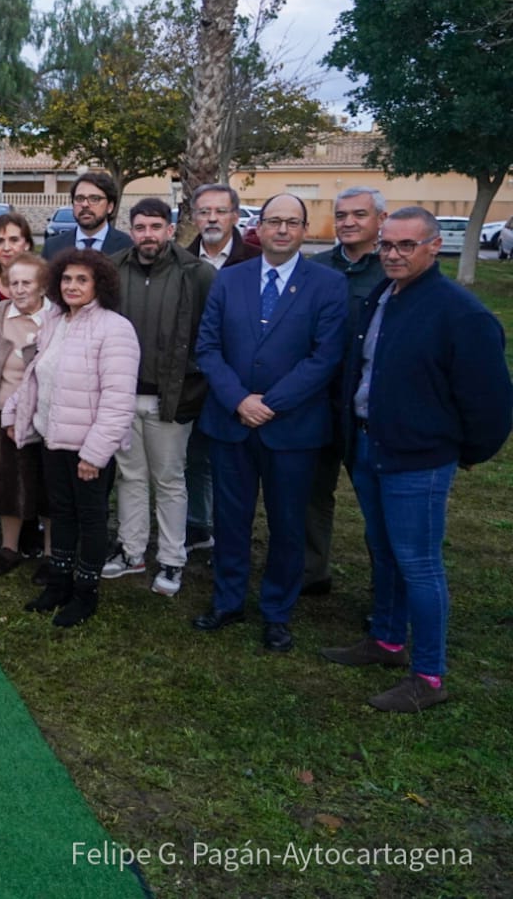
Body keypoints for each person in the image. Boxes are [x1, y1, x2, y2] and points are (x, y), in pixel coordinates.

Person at [320, 208, 512, 712]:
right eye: (387, 245)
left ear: (434, 247)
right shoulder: (385, 296)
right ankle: (386, 641)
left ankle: (428, 676)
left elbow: (490, 402)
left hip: (418, 458)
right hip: (369, 447)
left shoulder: (461, 314)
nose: (393, 255)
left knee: (418, 562)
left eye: (407, 246)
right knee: (382, 549)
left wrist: (463, 452)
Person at [192, 194, 348, 653]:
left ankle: (277, 611)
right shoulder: (231, 280)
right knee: (231, 518)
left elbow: (326, 357)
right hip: (231, 421)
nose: (281, 230)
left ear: (304, 229)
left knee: (287, 523)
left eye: (291, 222)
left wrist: (270, 403)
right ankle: (228, 600)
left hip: (292, 426)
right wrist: (240, 399)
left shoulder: (327, 284)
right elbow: (208, 348)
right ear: (258, 228)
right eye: (273, 221)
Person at [2, 250, 138, 626]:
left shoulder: (115, 329)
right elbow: (35, 375)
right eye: (67, 279)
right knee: (60, 513)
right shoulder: (54, 322)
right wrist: (15, 413)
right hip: (52, 439)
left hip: (88, 448)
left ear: (100, 285)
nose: (72, 286)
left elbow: (117, 400)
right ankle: (59, 582)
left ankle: (86, 592)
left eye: (82, 280)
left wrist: (94, 454)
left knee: (91, 519)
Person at [100, 199, 214, 598]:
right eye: (140, 227)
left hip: (171, 397)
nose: (148, 234)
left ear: (170, 229)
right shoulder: (112, 269)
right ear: (131, 230)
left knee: (169, 480)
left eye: (155, 226)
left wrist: (192, 380)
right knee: (130, 477)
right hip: (122, 395)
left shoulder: (196, 273)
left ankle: (171, 558)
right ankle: (132, 551)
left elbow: (211, 333)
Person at [303, 186, 388, 597]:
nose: (348, 223)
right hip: (318, 400)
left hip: (369, 406)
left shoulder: (392, 269)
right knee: (312, 493)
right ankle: (310, 571)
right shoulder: (315, 268)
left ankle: (385, 590)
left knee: (378, 503)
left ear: (380, 221)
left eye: (359, 215)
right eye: (341, 216)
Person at [183, 182, 262, 555]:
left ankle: (231, 535)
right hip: (191, 377)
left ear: (234, 215)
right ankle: (199, 525)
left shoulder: (255, 260)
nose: (212, 218)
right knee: (194, 457)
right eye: (204, 211)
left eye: (220, 211)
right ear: (194, 216)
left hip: (241, 378)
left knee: (233, 465)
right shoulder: (180, 260)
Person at [0, 254, 55, 577]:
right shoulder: (0, 313)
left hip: (44, 416)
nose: (19, 290)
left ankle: (51, 553)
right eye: (13, 283)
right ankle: (10, 548)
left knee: (48, 484)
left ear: (43, 285)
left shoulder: (56, 318)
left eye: (27, 283)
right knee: (8, 482)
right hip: (3, 412)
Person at [43, 171, 133, 259]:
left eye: (94, 199)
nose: (85, 204)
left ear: (110, 206)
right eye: (79, 198)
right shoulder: (52, 246)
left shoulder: (128, 246)